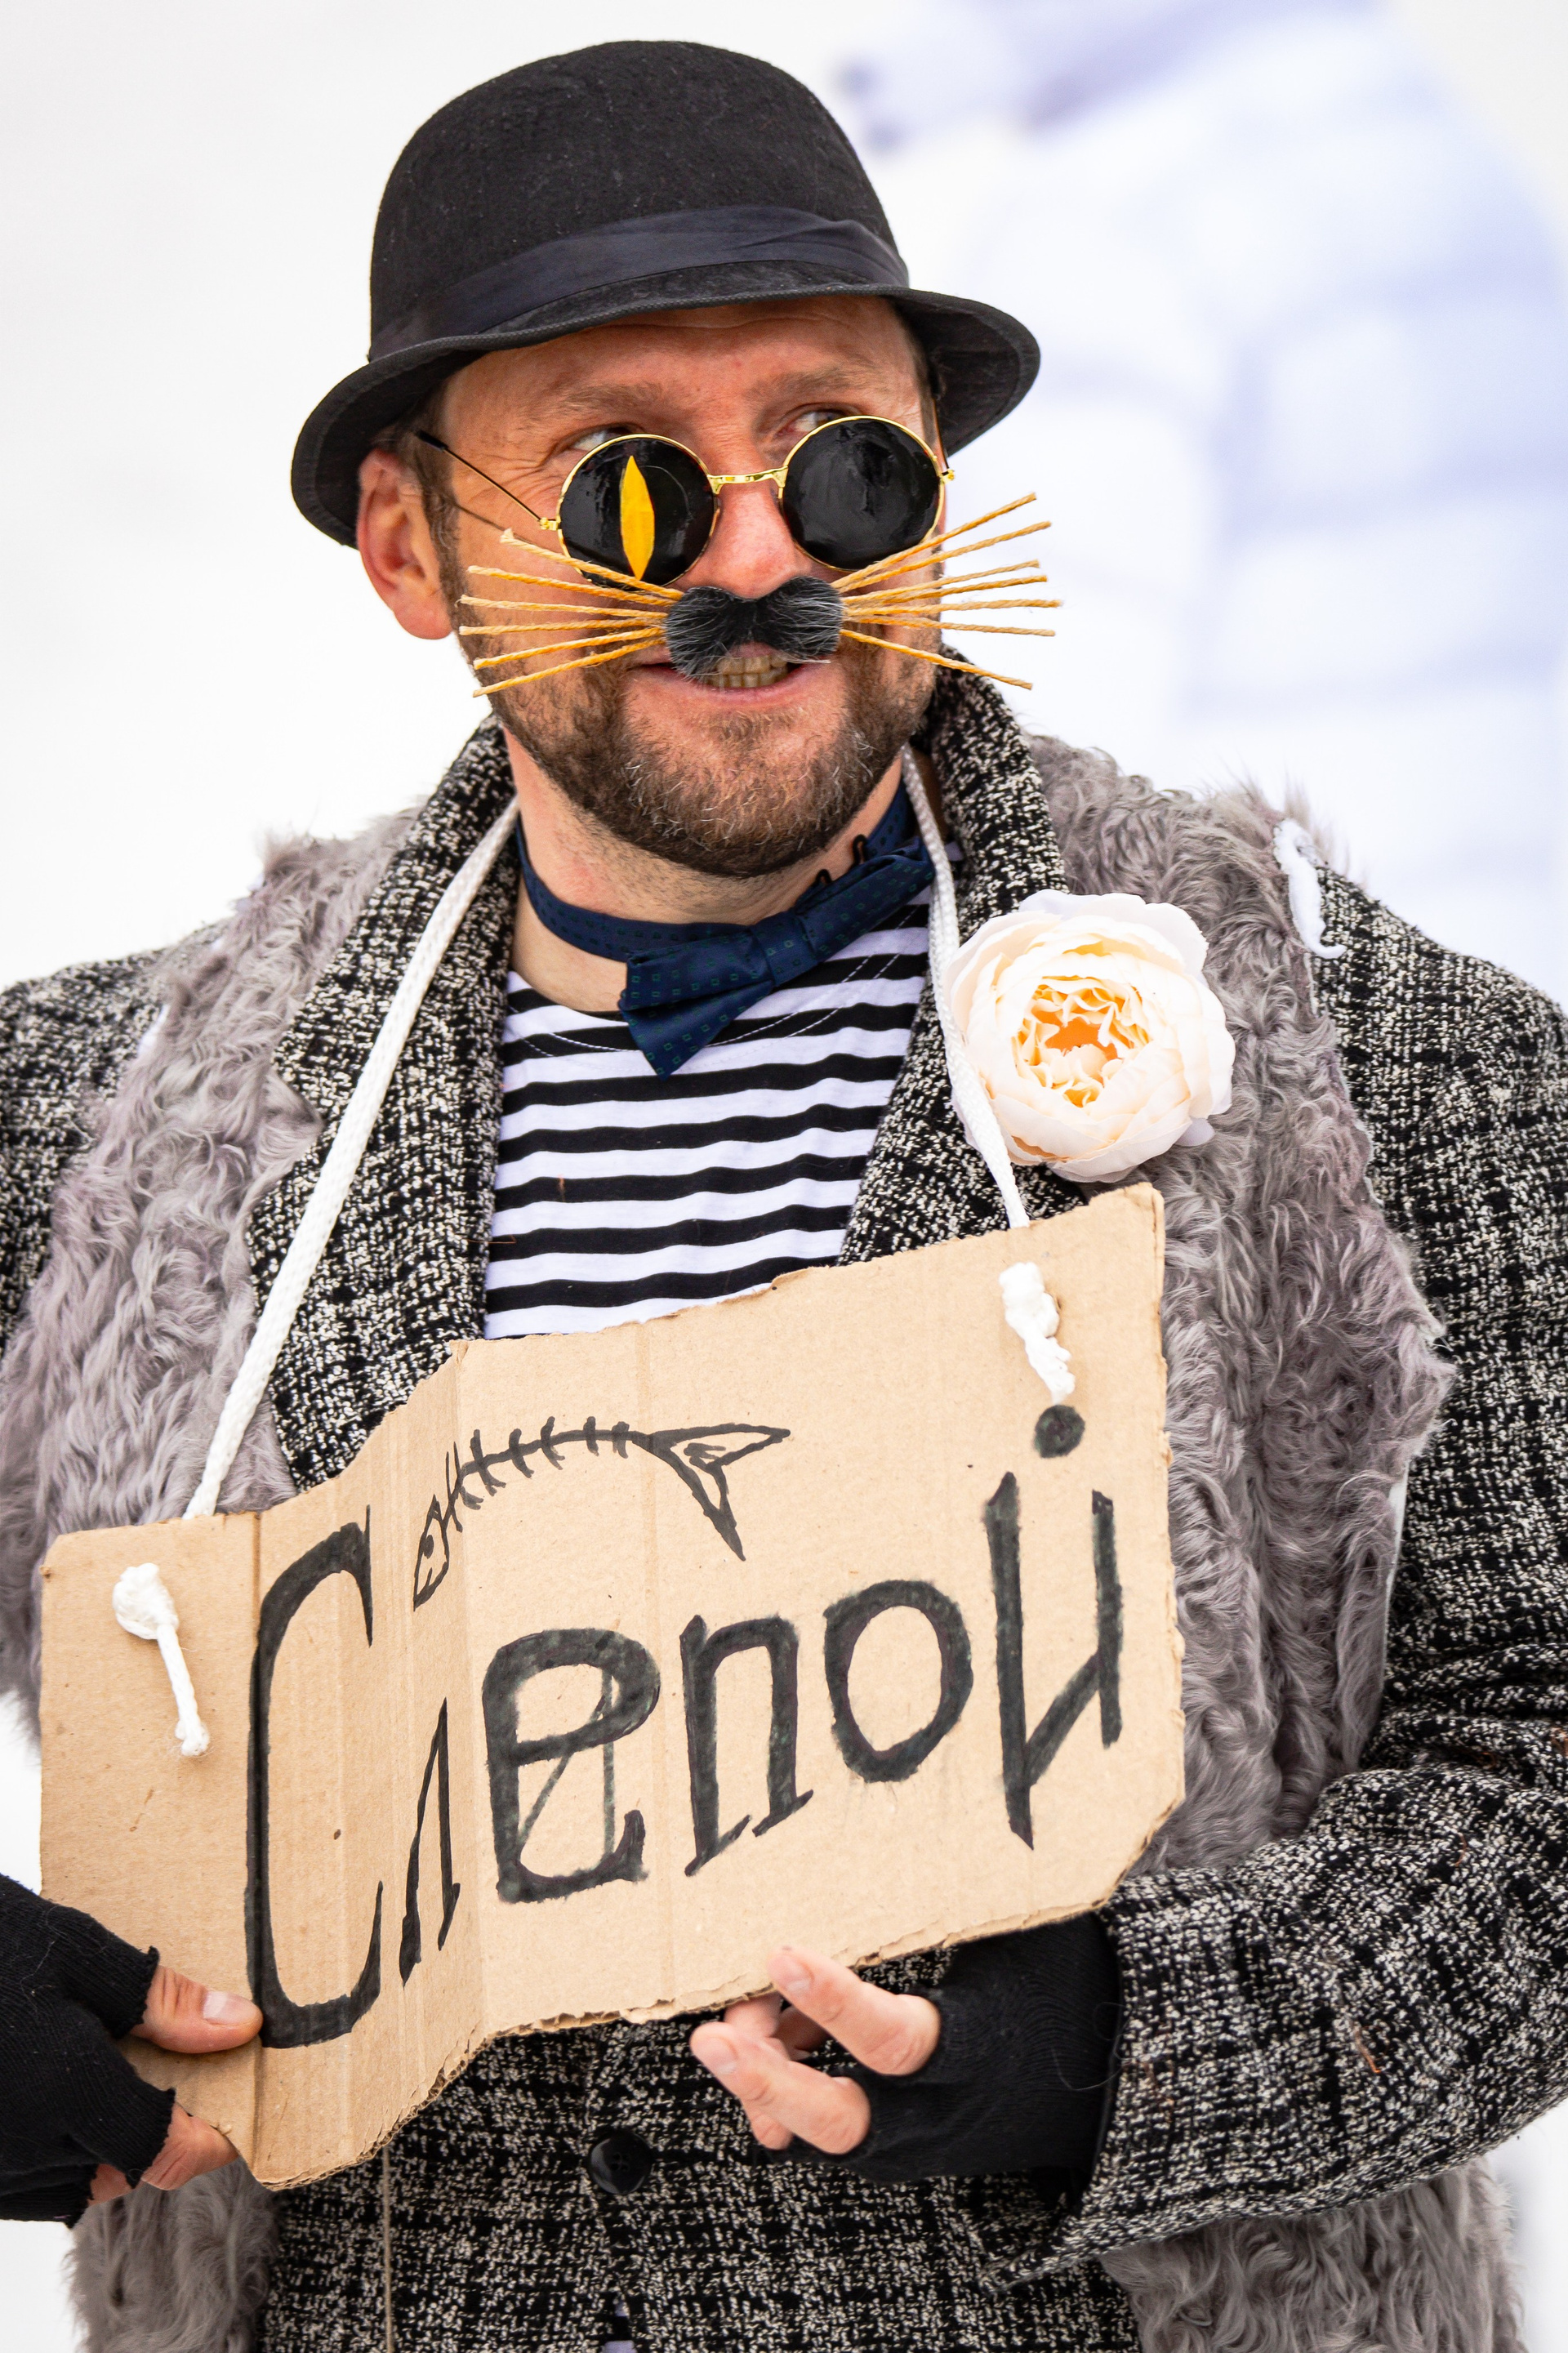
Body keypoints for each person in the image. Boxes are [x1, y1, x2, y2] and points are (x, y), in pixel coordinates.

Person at [0, 38, 1564, 2353]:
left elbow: (1544, 1762)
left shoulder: (1354, 1045)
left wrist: (1130, 2048)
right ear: (413, 547)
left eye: (841, 464)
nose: (758, 563)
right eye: (627, 484)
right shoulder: (90, 1123)